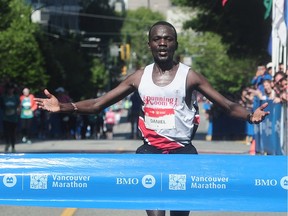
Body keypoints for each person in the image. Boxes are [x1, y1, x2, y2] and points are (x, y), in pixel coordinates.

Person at [35, 21, 269, 216]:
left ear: (175, 43)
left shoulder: (190, 77)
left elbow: (226, 105)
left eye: (168, 39)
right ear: (149, 45)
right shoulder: (139, 77)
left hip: (183, 155)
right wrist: (64, 107)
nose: (163, 43)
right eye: (157, 39)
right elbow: (98, 104)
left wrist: (250, 115)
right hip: (150, 154)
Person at [0, 83, 20, 153]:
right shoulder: (3, 97)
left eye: (11, 89)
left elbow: (19, 105)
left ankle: (13, 146)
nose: (10, 90)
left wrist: (18, 110)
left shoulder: (16, 97)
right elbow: (2, 106)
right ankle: (7, 143)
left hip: (14, 118)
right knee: (6, 132)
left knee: (13, 133)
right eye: (9, 89)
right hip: (6, 118)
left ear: (13, 90)